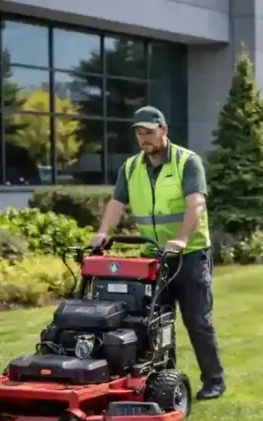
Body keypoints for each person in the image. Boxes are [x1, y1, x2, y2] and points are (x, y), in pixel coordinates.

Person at [92, 106, 225, 401]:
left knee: (197, 320)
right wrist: (103, 233)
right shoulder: (131, 167)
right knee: (153, 322)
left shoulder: (187, 162)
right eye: (139, 133)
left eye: (149, 132)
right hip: (152, 259)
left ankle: (214, 380)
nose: (144, 138)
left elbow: (196, 204)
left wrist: (180, 239)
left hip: (189, 255)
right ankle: (164, 378)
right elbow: (117, 203)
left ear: (164, 130)